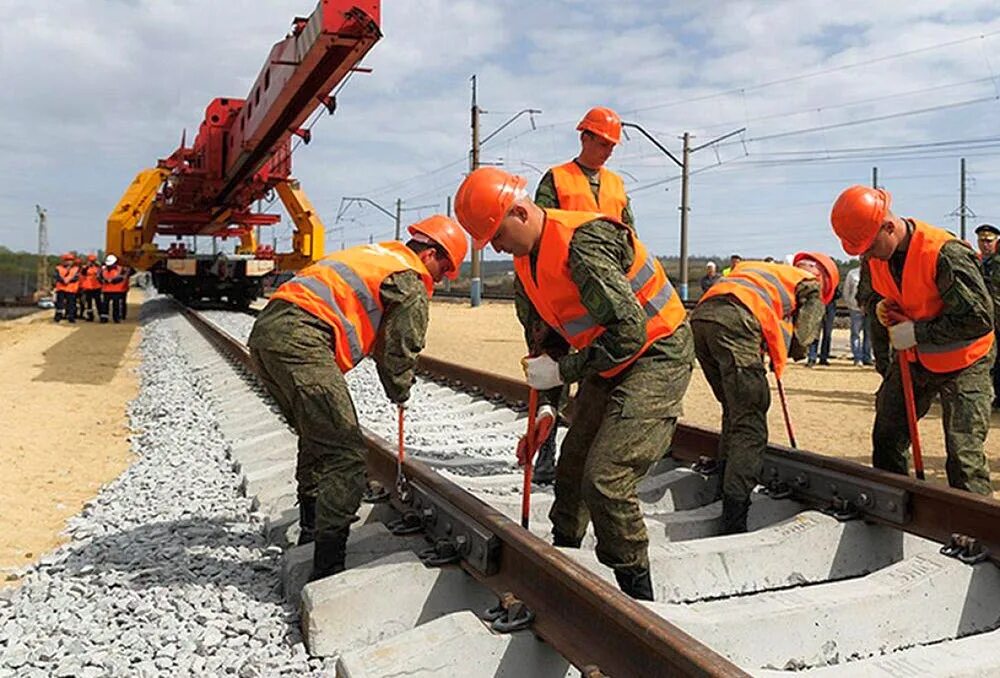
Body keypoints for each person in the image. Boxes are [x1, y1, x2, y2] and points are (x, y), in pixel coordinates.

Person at [453, 167, 692, 601]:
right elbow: (549, 343)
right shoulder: (528, 264)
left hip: (657, 352)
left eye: (498, 236)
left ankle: (638, 597)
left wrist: (564, 373)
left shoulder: (583, 245)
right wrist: (546, 407)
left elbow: (630, 333)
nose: (499, 249)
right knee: (571, 471)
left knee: (605, 480)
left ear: (520, 213)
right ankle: (565, 566)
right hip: (609, 356)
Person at [247, 216, 467, 581]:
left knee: (319, 438)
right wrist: (400, 390)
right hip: (301, 339)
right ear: (430, 253)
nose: (443, 278)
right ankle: (327, 568)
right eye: (445, 267)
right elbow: (400, 348)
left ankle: (311, 533)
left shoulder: (380, 256)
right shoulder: (410, 278)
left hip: (268, 334)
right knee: (346, 456)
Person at [830, 185, 994, 495]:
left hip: (965, 359)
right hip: (914, 358)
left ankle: (979, 535)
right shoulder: (873, 253)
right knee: (887, 436)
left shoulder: (945, 254)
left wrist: (916, 332)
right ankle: (893, 509)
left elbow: (979, 319)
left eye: (868, 246)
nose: (865, 254)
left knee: (963, 456)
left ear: (889, 227)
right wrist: (877, 306)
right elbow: (868, 293)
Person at [690, 253, 837, 533]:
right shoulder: (808, 282)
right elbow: (804, 336)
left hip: (701, 318)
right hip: (736, 321)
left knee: (733, 411)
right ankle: (734, 519)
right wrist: (797, 349)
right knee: (750, 423)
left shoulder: (761, 270)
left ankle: (721, 487)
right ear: (823, 277)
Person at [531, 106, 634, 485]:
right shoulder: (557, 179)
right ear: (584, 137)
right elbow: (538, 235)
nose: (608, 150)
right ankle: (544, 454)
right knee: (551, 371)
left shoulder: (617, 185)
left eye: (612, 145)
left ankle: (585, 450)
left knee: (599, 366)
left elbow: (628, 237)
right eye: (603, 142)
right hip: (561, 293)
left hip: (603, 295)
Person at [975, 223, 1000, 407]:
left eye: (989, 241)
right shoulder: (978, 262)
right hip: (986, 321)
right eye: (982, 241)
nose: (985, 244)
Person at [842, 264, 873, 366]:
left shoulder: (873, 272)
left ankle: (867, 357)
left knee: (869, 334)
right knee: (855, 334)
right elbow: (846, 291)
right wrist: (850, 305)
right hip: (855, 309)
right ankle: (857, 357)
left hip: (869, 309)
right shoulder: (852, 274)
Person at [806, 284, 839, 366]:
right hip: (817, 303)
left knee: (827, 333)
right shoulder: (816, 273)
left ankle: (824, 357)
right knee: (814, 332)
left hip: (830, 304)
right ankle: (812, 357)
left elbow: (837, 291)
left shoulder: (832, 274)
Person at [99, 255, 128, 323]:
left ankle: (116, 318)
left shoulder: (120, 269)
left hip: (117, 290)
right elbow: (99, 277)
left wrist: (113, 281)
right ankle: (104, 318)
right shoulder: (103, 269)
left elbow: (123, 277)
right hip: (106, 290)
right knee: (105, 305)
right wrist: (104, 280)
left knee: (116, 305)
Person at [53, 253, 81, 323]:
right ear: (63, 261)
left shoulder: (76, 269)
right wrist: (64, 281)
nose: (69, 262)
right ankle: (58, 316)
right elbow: (57, 277)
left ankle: (71, 317)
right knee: (59, 304)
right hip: (61, 289)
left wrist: (67, 281)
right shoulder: (58, 268)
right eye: (67, 260)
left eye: (71, 260)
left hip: (71, 289)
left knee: (71, 304)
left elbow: (76, 277)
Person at [79, 254, 102, 322]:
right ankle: (90, 316)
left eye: (92, 261)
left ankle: (101, 315)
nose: (90, 262)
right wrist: (86, 267)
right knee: (89, 303)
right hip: (88, 287)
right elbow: (83, 273)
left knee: (98, 302)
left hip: (97, 287)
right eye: (90, 261)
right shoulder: (85, 268)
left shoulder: (98, 268)